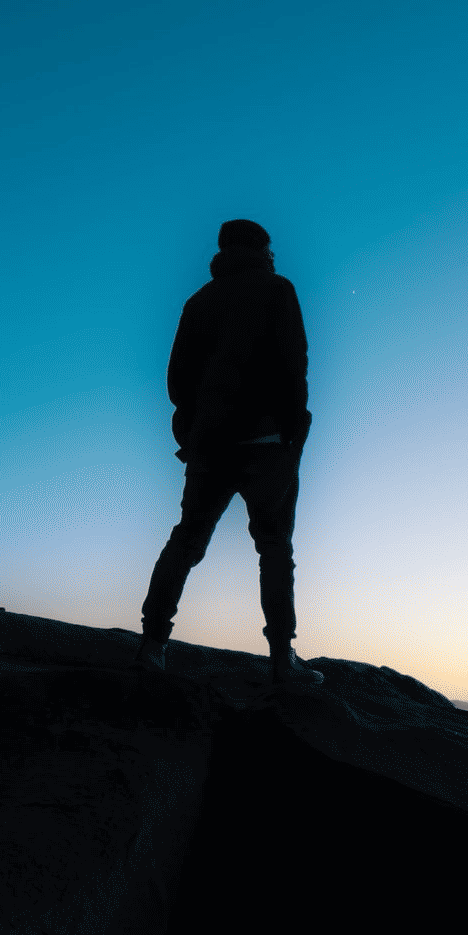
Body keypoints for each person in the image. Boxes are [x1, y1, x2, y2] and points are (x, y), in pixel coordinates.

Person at [136, 218, 322, 688]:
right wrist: (294, 428)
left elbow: (177, 380)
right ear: (262, 249)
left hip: (210, 446)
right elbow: (293, 364)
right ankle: (283, 660)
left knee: (186, 541)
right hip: (266, 442)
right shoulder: (277, 290)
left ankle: (151, 647)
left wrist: (194, 432)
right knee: (275, 547)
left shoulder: (198, 302)